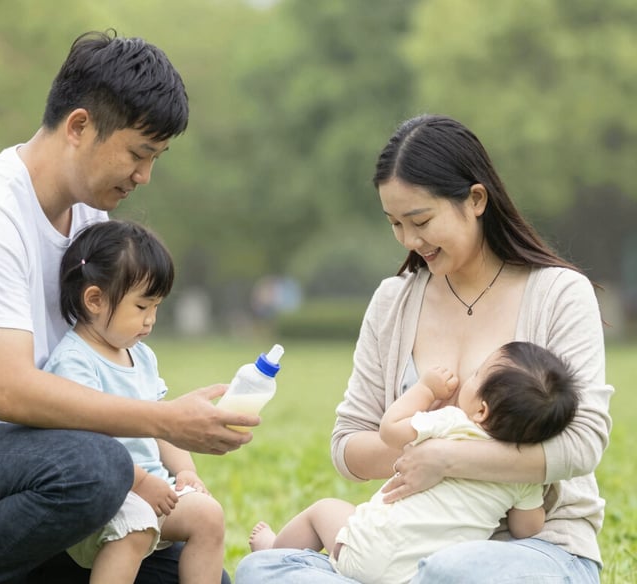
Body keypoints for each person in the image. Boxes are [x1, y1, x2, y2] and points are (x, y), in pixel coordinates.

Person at [0, 30, 254, 584]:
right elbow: (11, 391)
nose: (144, 176)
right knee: (98, 467)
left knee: (188, 574)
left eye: (156, 158)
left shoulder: (93, 227)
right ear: (79, 127)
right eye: (139, 154)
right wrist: (166, 419)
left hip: (40, 473)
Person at [235, 114, 613, 584]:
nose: (410, 240)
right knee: (263, 569)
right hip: (408, 549)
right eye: (395, 223)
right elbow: (347, 442)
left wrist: (449, 459)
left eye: (421, 220)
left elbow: (582, 444)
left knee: (454, 571)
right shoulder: (393, 301)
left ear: (476, 200)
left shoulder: (559, 293)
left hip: (531, 554)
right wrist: (418, 446)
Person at [248, 341, 579, 584]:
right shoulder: (522, 474)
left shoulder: (451, 423)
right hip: (421, 574)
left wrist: (424, 389)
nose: (469, 375)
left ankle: (274, 548)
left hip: (367, 550)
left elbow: (391, 430)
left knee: (323, 510)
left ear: (481, 411)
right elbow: (528, 528)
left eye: (476, 374)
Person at [44, 219, 225, 584]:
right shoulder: (74, 362)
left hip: (153, 489)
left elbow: (162, 425)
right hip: (104, 495)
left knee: (209, 515)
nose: (151, 320)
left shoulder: (140, 356)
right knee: (136, 528)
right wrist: (139, 482)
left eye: (157, 307)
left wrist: (185, 471)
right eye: (142, 306)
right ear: (94, 299)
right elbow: (88, 444)